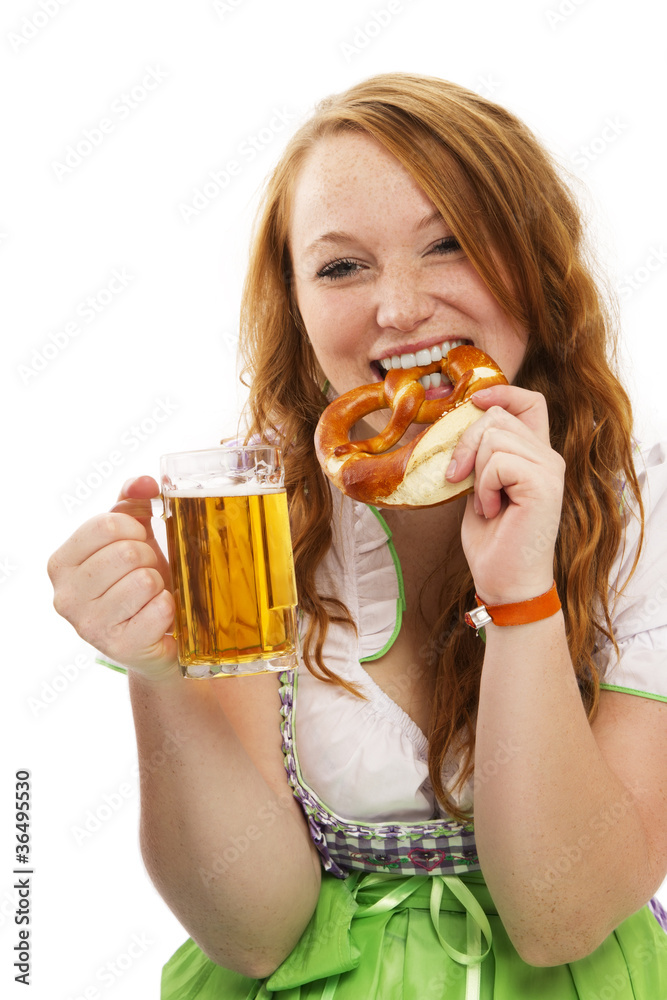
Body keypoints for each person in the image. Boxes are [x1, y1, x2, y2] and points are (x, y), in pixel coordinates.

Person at [48, 73, 667, 999]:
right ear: (295, 306)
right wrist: (159, 671)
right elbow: (253, 932)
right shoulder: (240, 512)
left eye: (448, 243)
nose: (399, 308)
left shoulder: (638, 506)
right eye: (342, 267)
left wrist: (522, 599)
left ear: (536, 268)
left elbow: (559, 916)